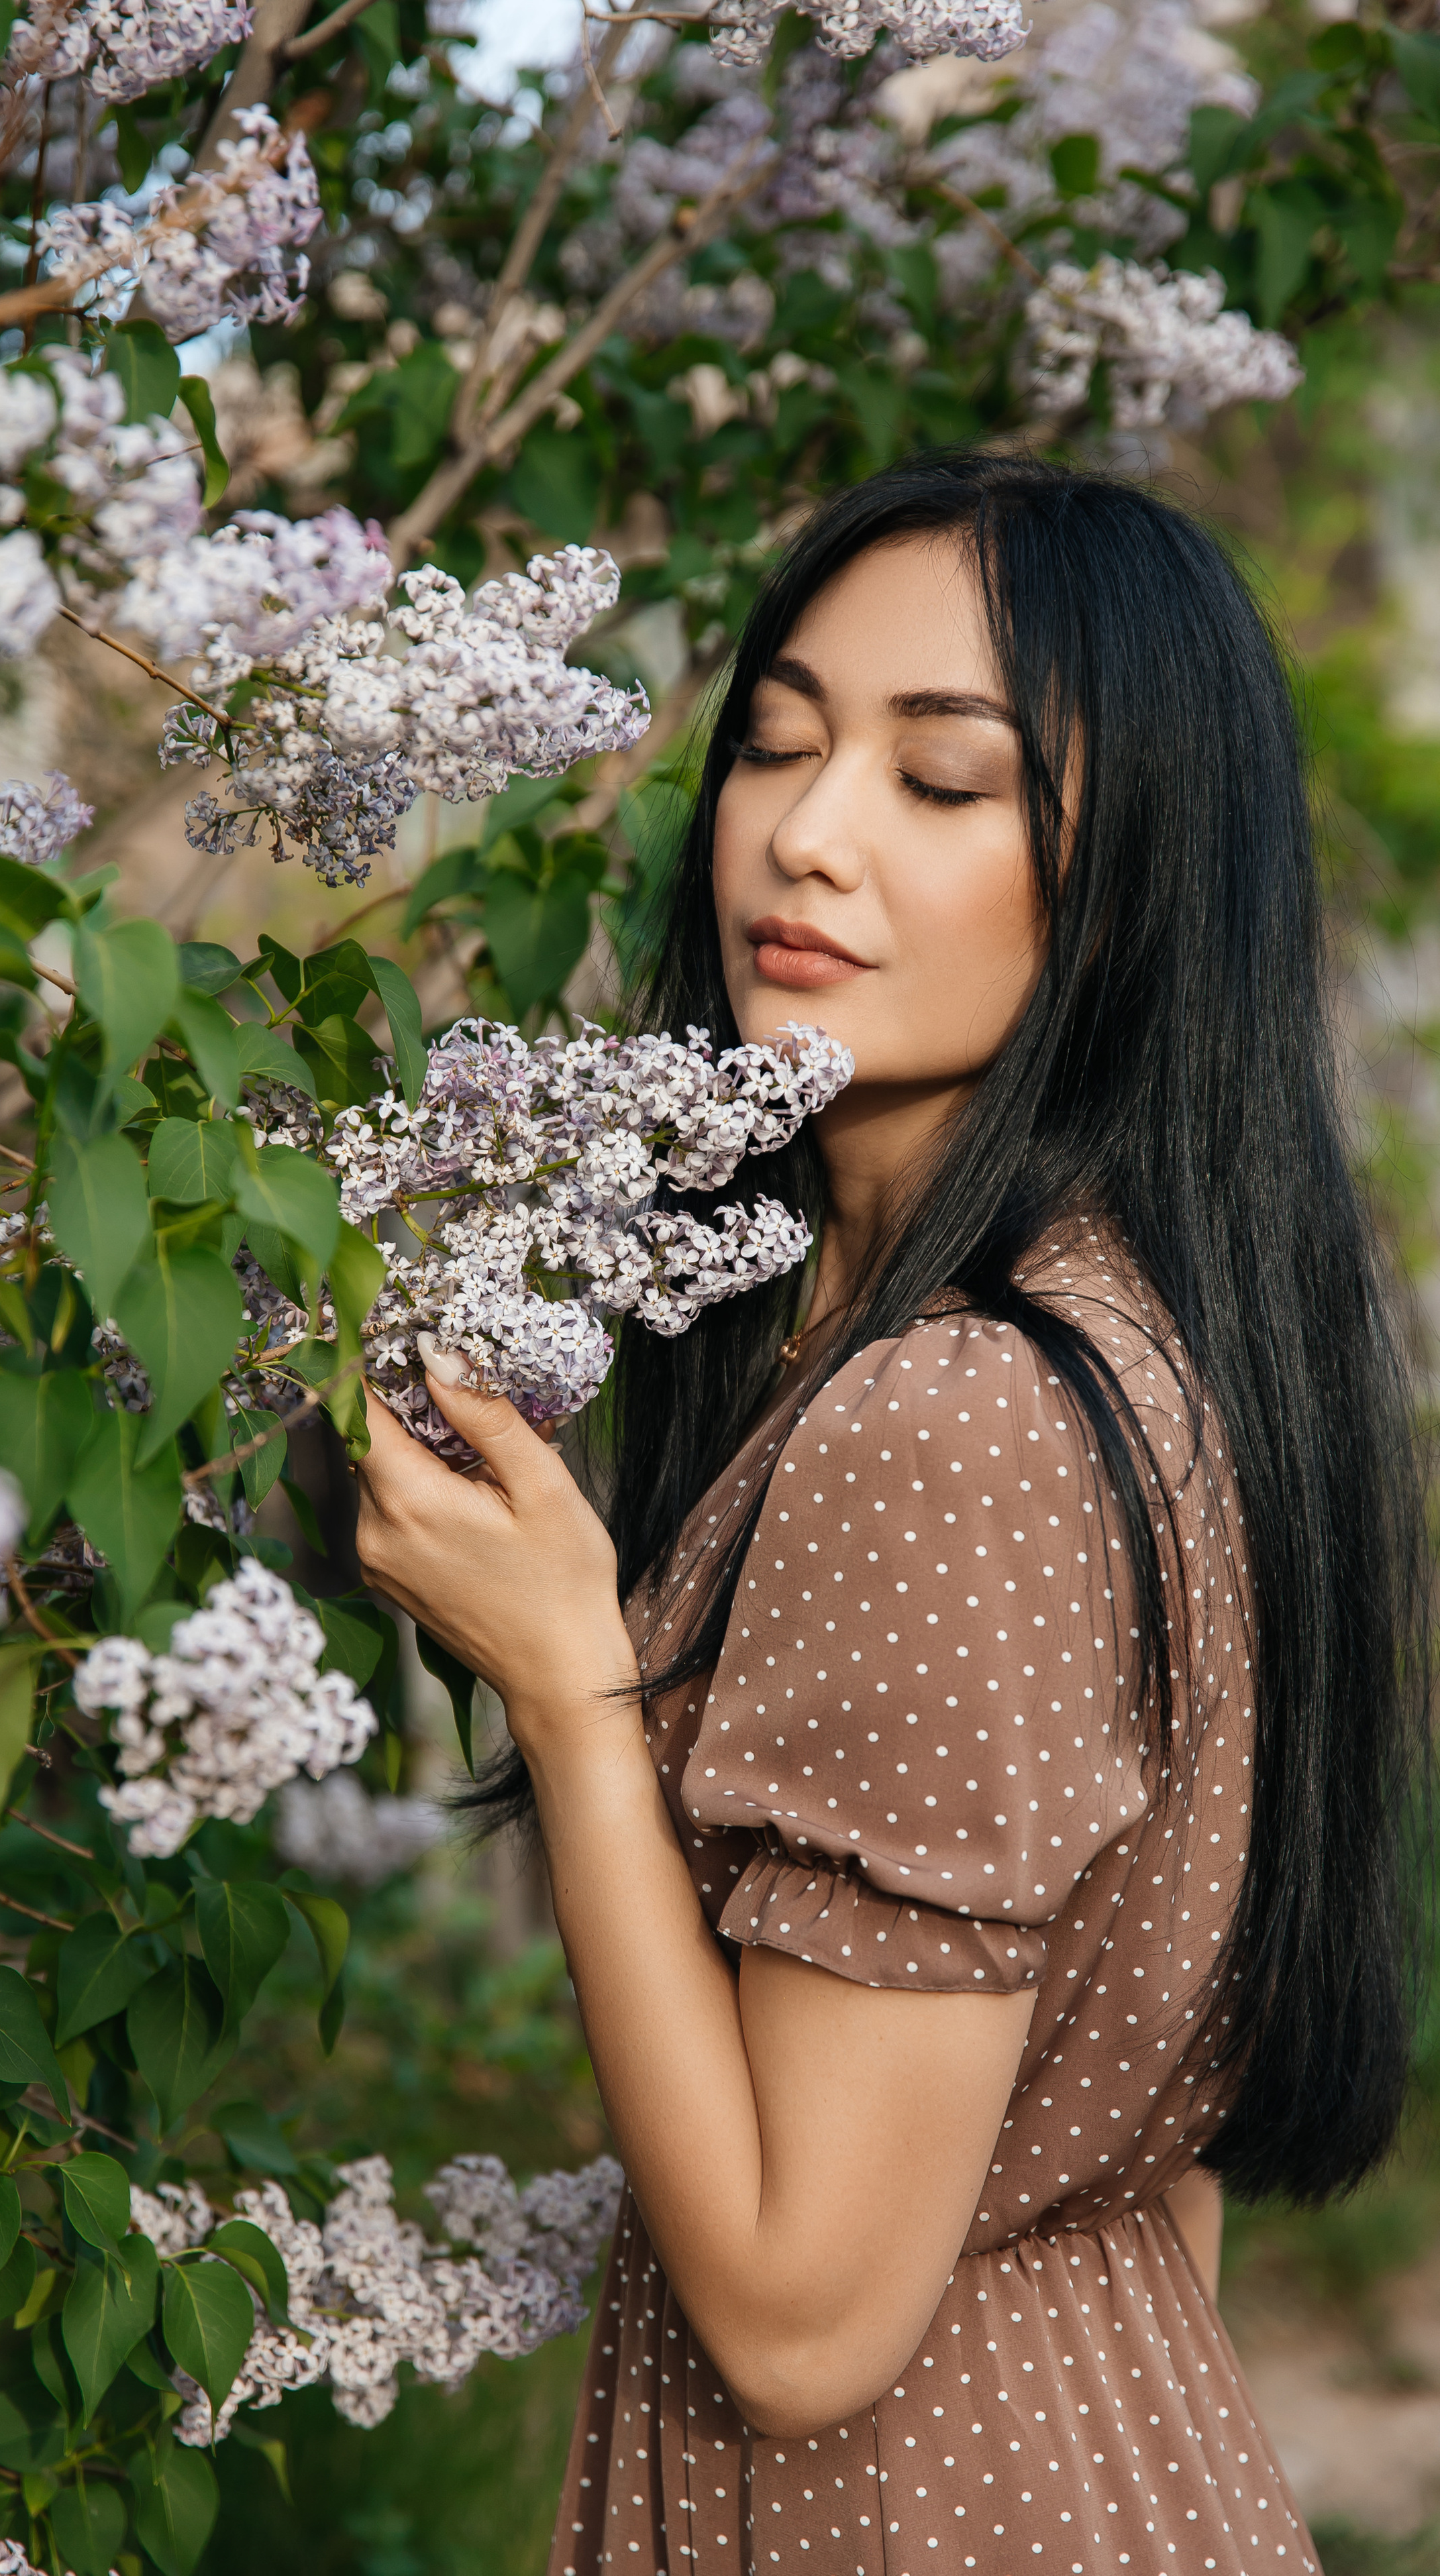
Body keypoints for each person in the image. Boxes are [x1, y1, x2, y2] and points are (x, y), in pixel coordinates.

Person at [352, 450, 1431, 2576]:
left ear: (1136, 878)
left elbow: (800, 2325)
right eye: (773, 744)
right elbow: (1162, 2166)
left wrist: (573, 1686)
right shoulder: (1144, 1340)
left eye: (943, 784)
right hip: (1114, 2447)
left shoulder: (951, 1427)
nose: (805, 832)